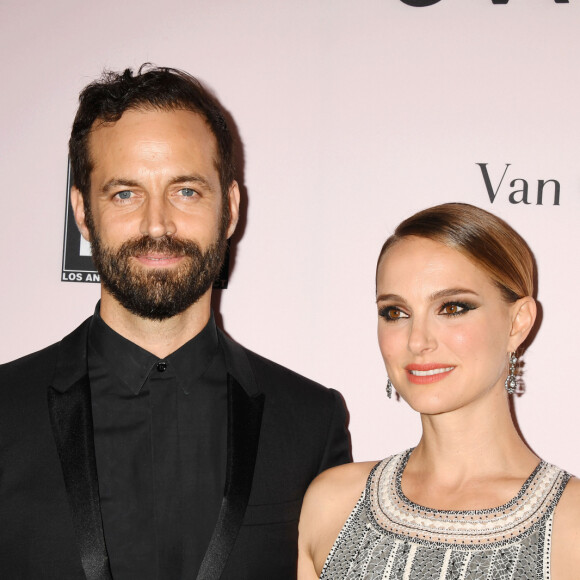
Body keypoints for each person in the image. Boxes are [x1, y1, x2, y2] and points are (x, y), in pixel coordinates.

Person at [0, 65, 351, 580]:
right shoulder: (6, 410)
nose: (157, 225)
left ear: (229, 209)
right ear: (81, 211)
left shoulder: (309, 423)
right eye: (125, 193)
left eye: (185, 191)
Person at [298, 203, 580, 579]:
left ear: (517, 323)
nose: (417, 341)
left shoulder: (572, 525)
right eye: (395, 312)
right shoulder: (332, 503)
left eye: (452, 307)